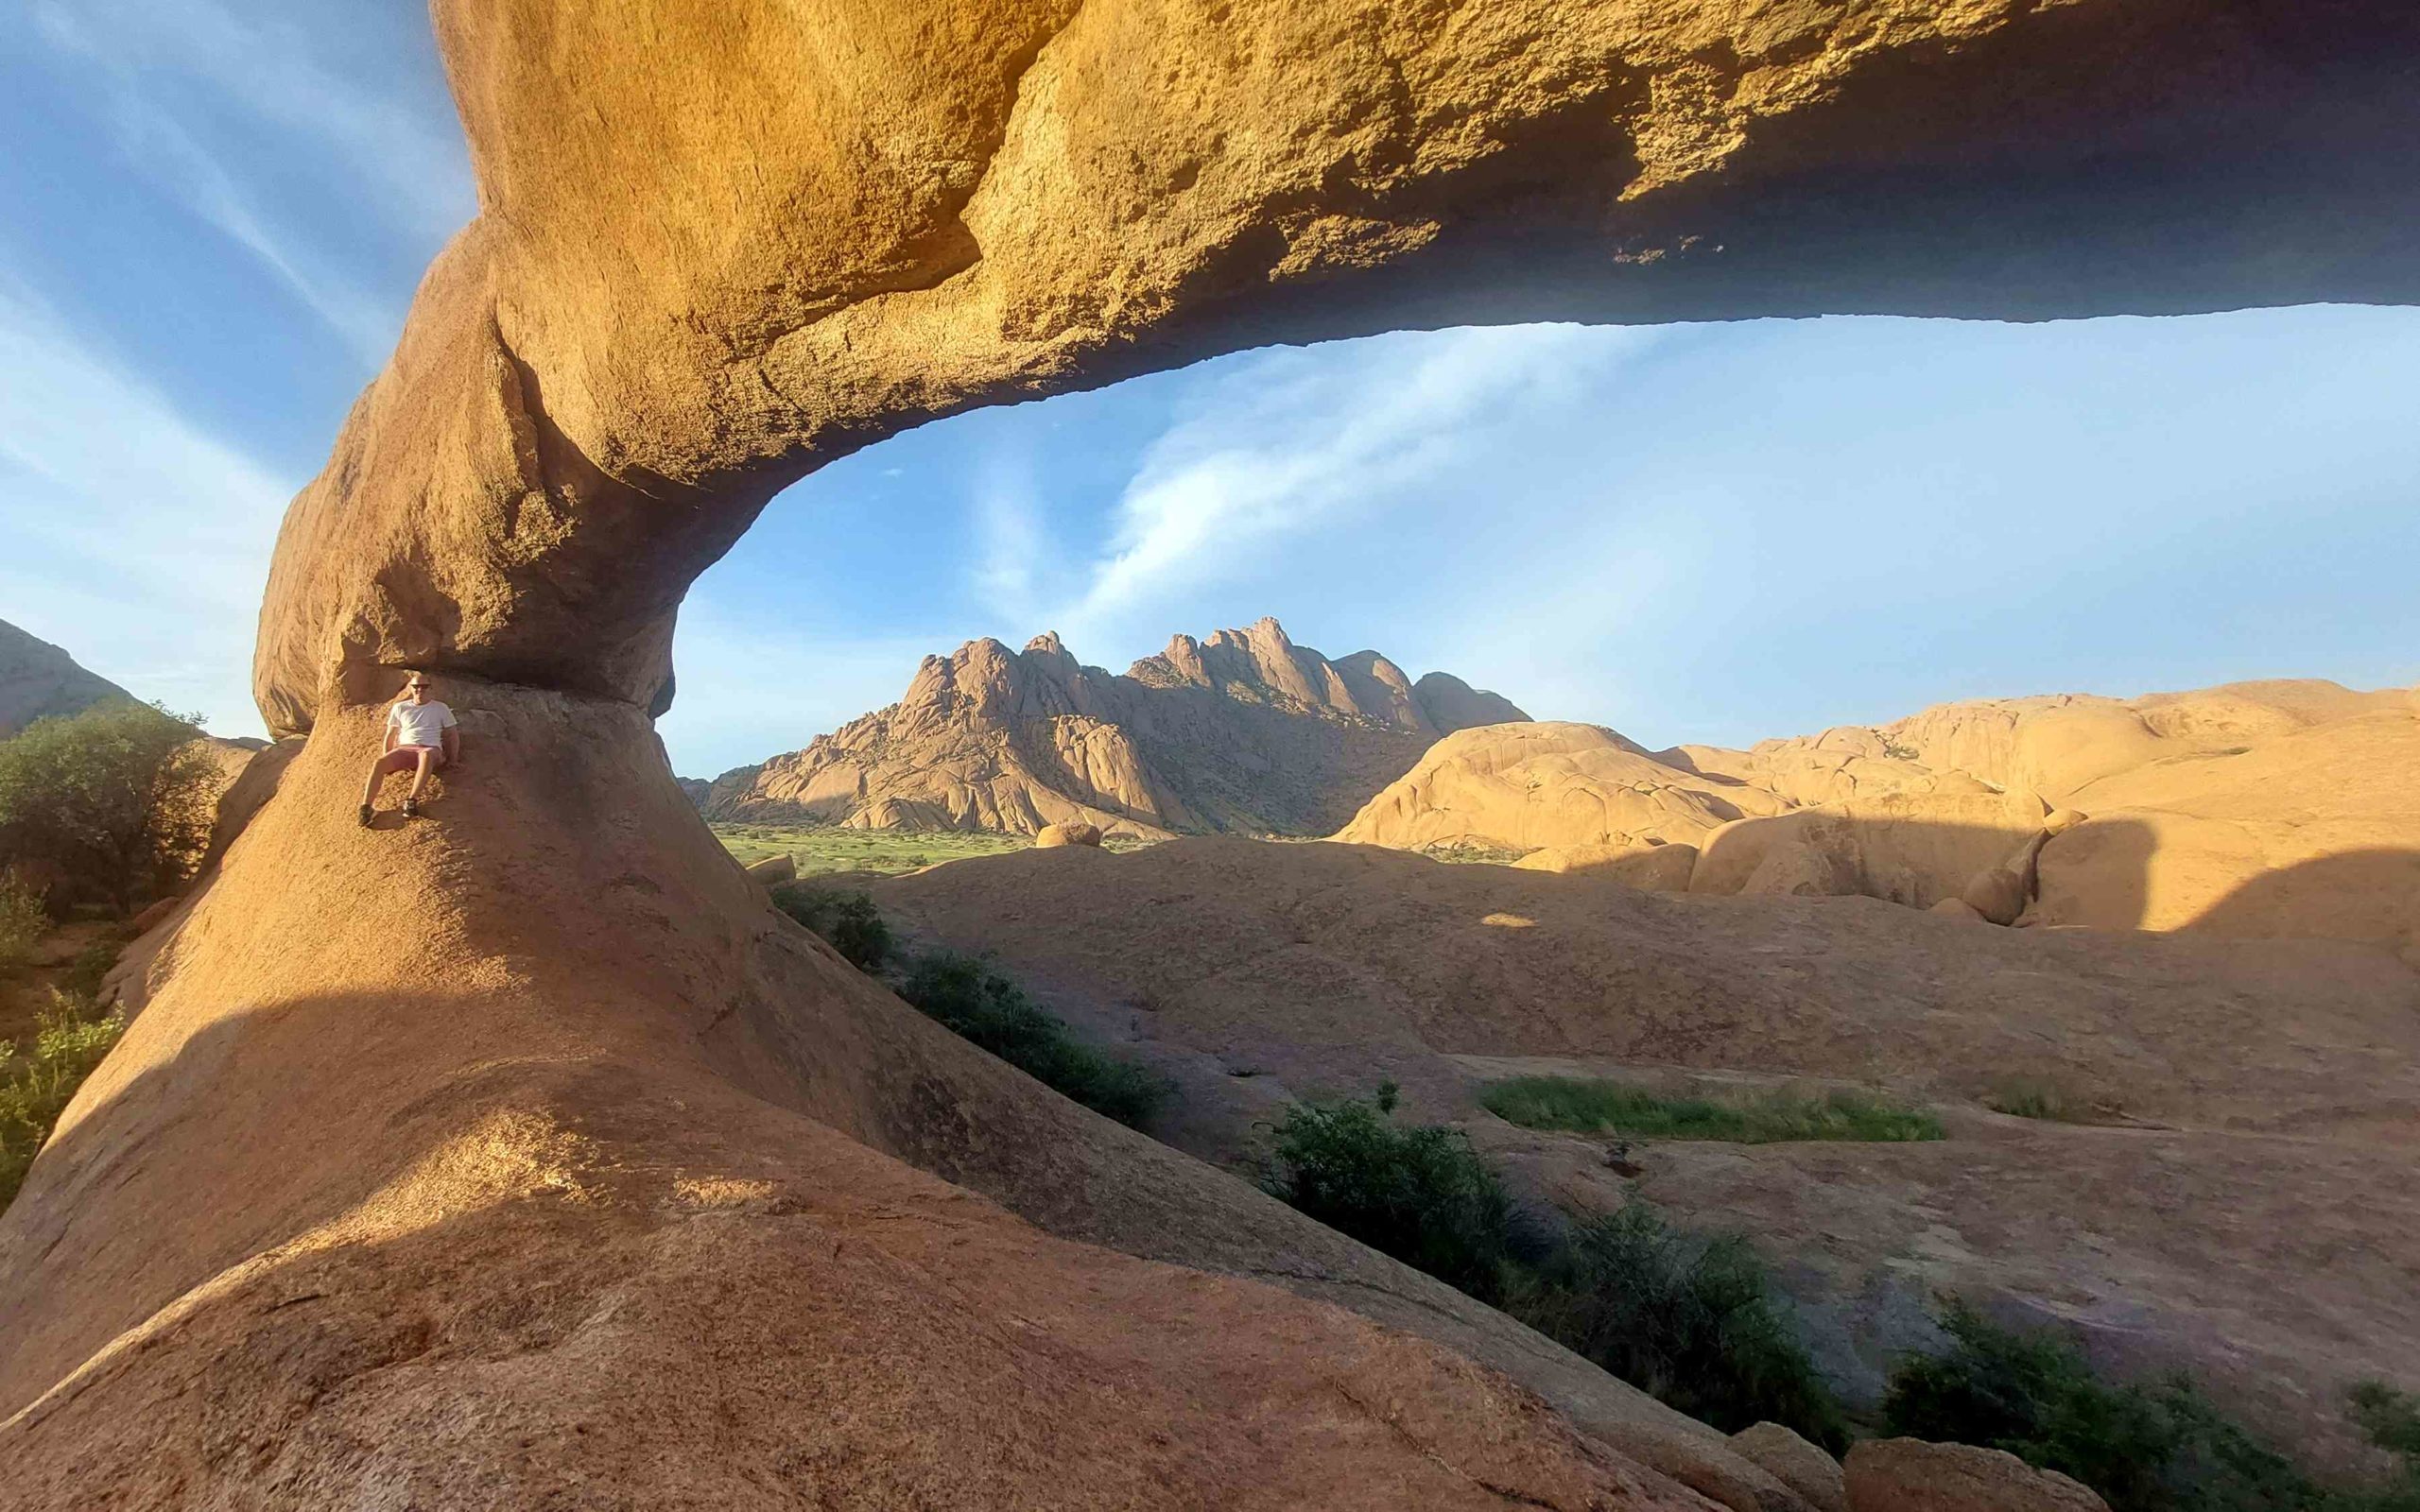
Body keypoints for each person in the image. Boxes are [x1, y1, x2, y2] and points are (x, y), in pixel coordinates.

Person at [359, 672, 460, 824]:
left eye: (424, 687)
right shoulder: (400, 708)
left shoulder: (440, 708)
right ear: (411, 689)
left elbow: (452, 735)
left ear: (431, 688)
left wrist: (453, 759)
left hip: (430, 748)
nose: (420, 690)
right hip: (406, 749)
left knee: (425, 755)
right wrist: (389, 755)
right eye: (416, 687)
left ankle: (411, 800)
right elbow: (391, 734)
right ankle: (366, 808)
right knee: (379, 763)